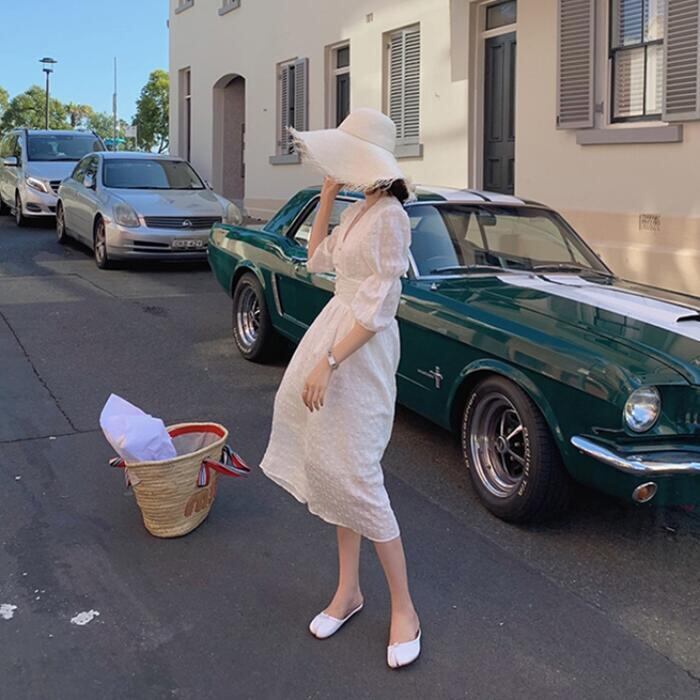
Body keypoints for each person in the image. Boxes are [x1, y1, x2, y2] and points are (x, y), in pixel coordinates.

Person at [260, 108, 421, 669]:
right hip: (336, 331)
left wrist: (329, 361)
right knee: (330, 461)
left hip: (360, 349)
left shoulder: (392, 216)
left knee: (358, 473)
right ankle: (348, 591)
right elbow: (316, 257)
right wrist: (327, 195)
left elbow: (381, 307)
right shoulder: (362, 208)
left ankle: (405, 609)